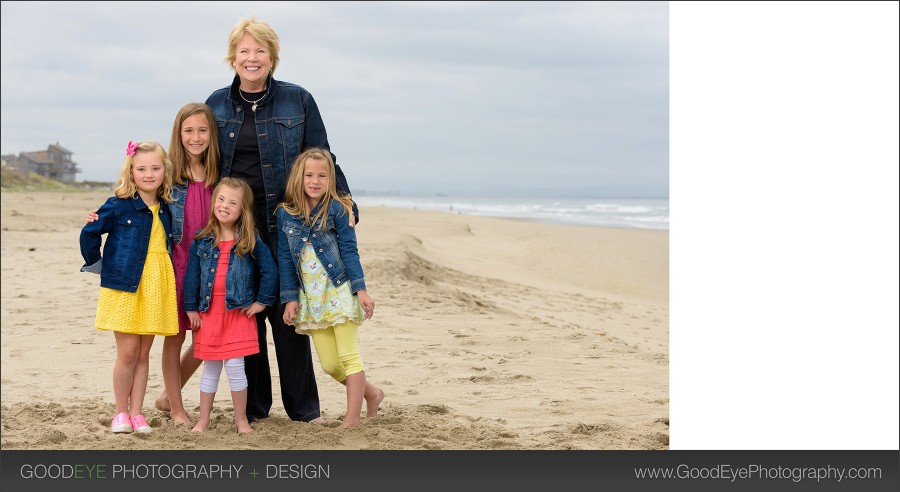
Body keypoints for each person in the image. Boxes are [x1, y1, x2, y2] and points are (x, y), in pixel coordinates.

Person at [205, 16, 358, 424]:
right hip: (239, 227)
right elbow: (202, 163)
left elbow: (321, 154)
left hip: (291, 224)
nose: (252, 58)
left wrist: (344, 200)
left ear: (272, 58)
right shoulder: (216, 104)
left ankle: (303, 409)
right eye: (244, 51)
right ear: (232, 58)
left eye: (260, 51)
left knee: (288, 314)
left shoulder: (298, 100)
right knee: (246, 313)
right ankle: (254, 408)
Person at [86, 103, 221, 426]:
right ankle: (171, 408)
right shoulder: (168, 181)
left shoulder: (217, 176)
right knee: (165, 342)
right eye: (188, 130)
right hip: (169, 269)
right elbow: (122, 210)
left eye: (203, 130)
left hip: (202, 268)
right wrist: (99, 251)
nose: (196, 137)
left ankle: (153, 403)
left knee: (208, 337)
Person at [277, 148, 383, 428]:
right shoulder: (285, 215)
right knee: (330, 365)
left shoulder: (338, 209)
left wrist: (361, 289)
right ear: (298, 178)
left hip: (339, 290)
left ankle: (352, 419)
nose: (315, 180)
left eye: (322, 175)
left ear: (330, 178)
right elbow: (286, 260)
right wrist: (290, 298)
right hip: (312, 298)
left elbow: (350, 251)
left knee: (349, 356)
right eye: (309, 175)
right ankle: (372, 394)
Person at [79, 140, 178, 434]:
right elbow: (89, 233)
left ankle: (138, 413)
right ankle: (120, 412)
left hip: (155, 286)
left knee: (144, 353)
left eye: (155, 168)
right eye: (142, 168)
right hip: (124, 286)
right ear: (131, 171)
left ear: (165, 170)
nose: (149, 174)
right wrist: (99, 265)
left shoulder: (168, 208)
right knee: (127, 353)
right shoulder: (118, 205)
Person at [183, 177, 277, 434]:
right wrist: (191, 308)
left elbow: (269, 271)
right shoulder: (202, 241)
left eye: (232, 202)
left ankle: (241, 420)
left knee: (236, 368)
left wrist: (261, 302)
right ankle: (203, 420)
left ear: (243, 210)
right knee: (211, 369)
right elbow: (192, 277)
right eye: (221, 199)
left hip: (237, 315)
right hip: (209, 316)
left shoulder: (250, 239)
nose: (224, 205)